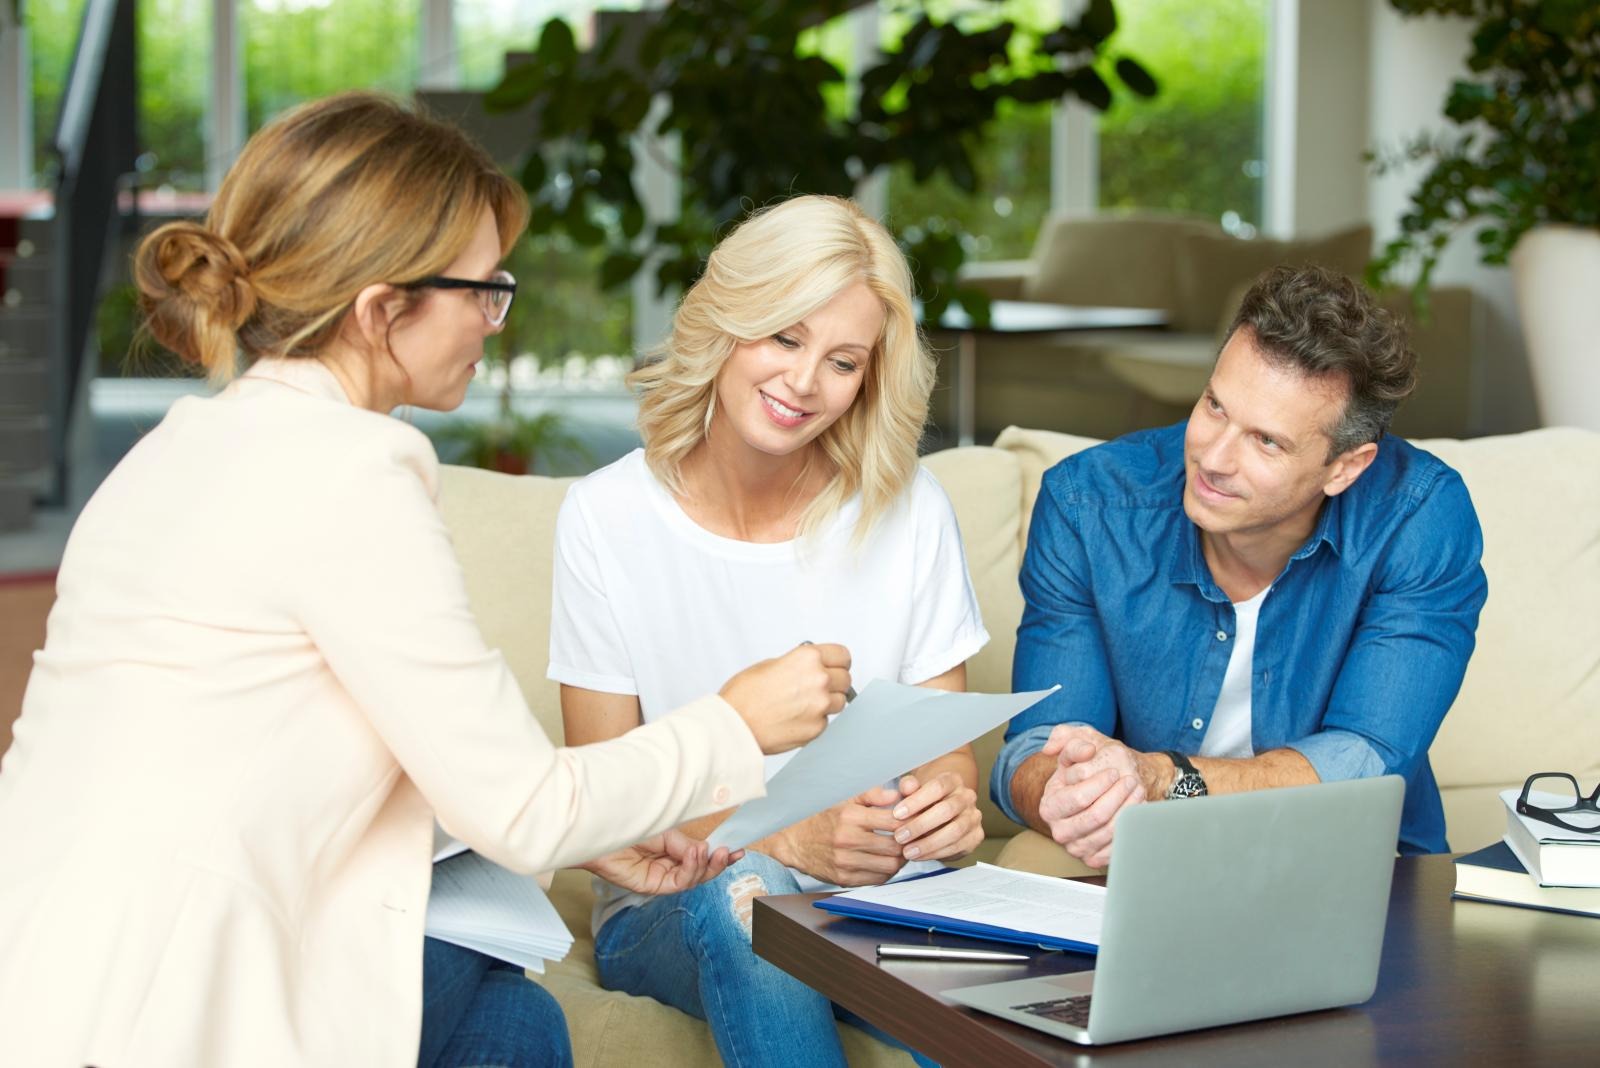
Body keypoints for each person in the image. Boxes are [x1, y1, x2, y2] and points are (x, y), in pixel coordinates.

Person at [0, 93, 848, 1068]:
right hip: (168, 1003)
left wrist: (590, 833)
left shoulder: (178, 448)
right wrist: (735, 723)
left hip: (46, 972)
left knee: (506, 1018)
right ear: (380, 310)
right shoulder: (347, 472)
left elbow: (251, 740)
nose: (495, 320)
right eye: (483, 290)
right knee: (502, 1017)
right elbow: (524, 806)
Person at [549, 194, 989, 1066]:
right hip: (682, 903)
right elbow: (601, 798)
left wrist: (943, 810)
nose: (803, 384)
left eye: (843, 361)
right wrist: (781, 838)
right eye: (784, 338)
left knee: (1009, 1010)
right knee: (753, 897)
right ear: (728, 323)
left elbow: (946, 750)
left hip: (883, 898)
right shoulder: (604, 517)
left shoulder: (909, 510)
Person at [993, 264, 1487, 869]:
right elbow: (1034, 746)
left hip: (1343, 857)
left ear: (1345, 468)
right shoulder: (1087, 506)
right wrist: (1071, 794)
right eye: (1215, 407)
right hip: (1144, 851)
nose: (1214, 459)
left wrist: (1160, 780)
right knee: (1029, 860)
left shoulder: (1418, 517)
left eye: (1267, 442)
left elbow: (1365, 761)